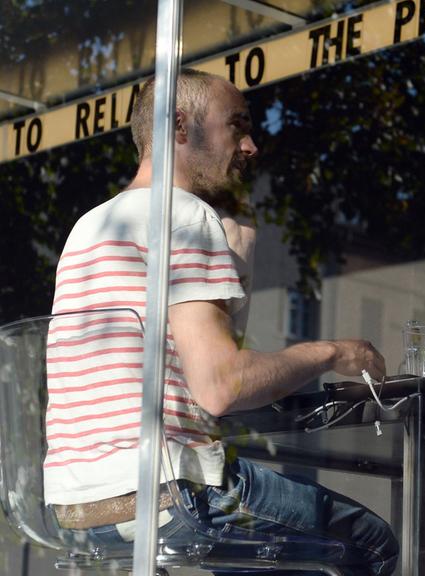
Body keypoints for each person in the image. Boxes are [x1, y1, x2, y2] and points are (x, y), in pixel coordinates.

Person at [44, 68, 398, 576]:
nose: (251, 146)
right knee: (372, 543)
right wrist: (333, 352)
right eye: (237, 126)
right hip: (171, 495)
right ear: (179, 126)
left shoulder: (90, 227)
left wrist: (240, 256)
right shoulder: (184, 216)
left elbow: (199, 383)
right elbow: (222, 387)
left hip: (79, 507)